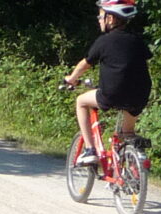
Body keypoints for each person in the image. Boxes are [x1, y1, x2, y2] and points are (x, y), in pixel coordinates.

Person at [62, 0, 151, 163]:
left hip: (112, 94)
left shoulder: (104, 41)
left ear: (110, 19)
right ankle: (127, 169)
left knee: (81, 101)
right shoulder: (137, 40)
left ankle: (90, 150)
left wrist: (71, 79)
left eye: (101, 16)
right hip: (140, 95)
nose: (99, 19)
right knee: (127, 134)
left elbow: (84, 64)